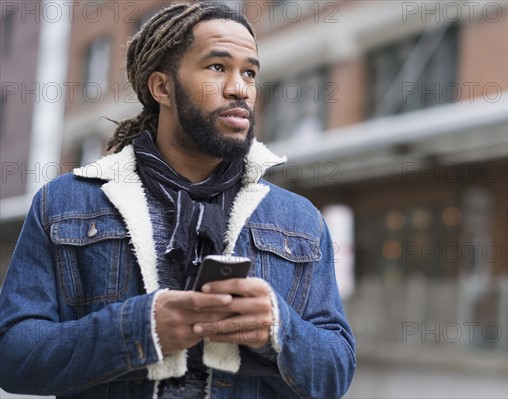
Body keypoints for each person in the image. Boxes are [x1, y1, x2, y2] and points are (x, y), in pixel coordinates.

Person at [0, 2, 356, 398]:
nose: (240, 88)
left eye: (250, 73)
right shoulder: (64, 203)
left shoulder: (299, 218)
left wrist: (278, 329)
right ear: (162, 87)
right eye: (217, 67)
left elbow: (336, 373)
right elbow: (13, 356)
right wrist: (139, 328)